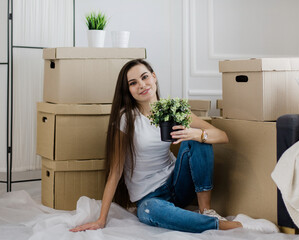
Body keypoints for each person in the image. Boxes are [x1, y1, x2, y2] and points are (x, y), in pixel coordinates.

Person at [69, 59, 278, 233]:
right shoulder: (127, 119)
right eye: (133, 83)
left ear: (154, 77)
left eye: (144, 77)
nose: (141, 85)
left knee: (197, 140)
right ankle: (234, 226)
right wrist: (101, 219)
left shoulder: (173, 110)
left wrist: (197, 134)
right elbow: (115, 171)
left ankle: (206, 211)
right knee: (148, 212)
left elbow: (222, 136)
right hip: (149, 197)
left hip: (178, 183)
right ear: (128, 90)